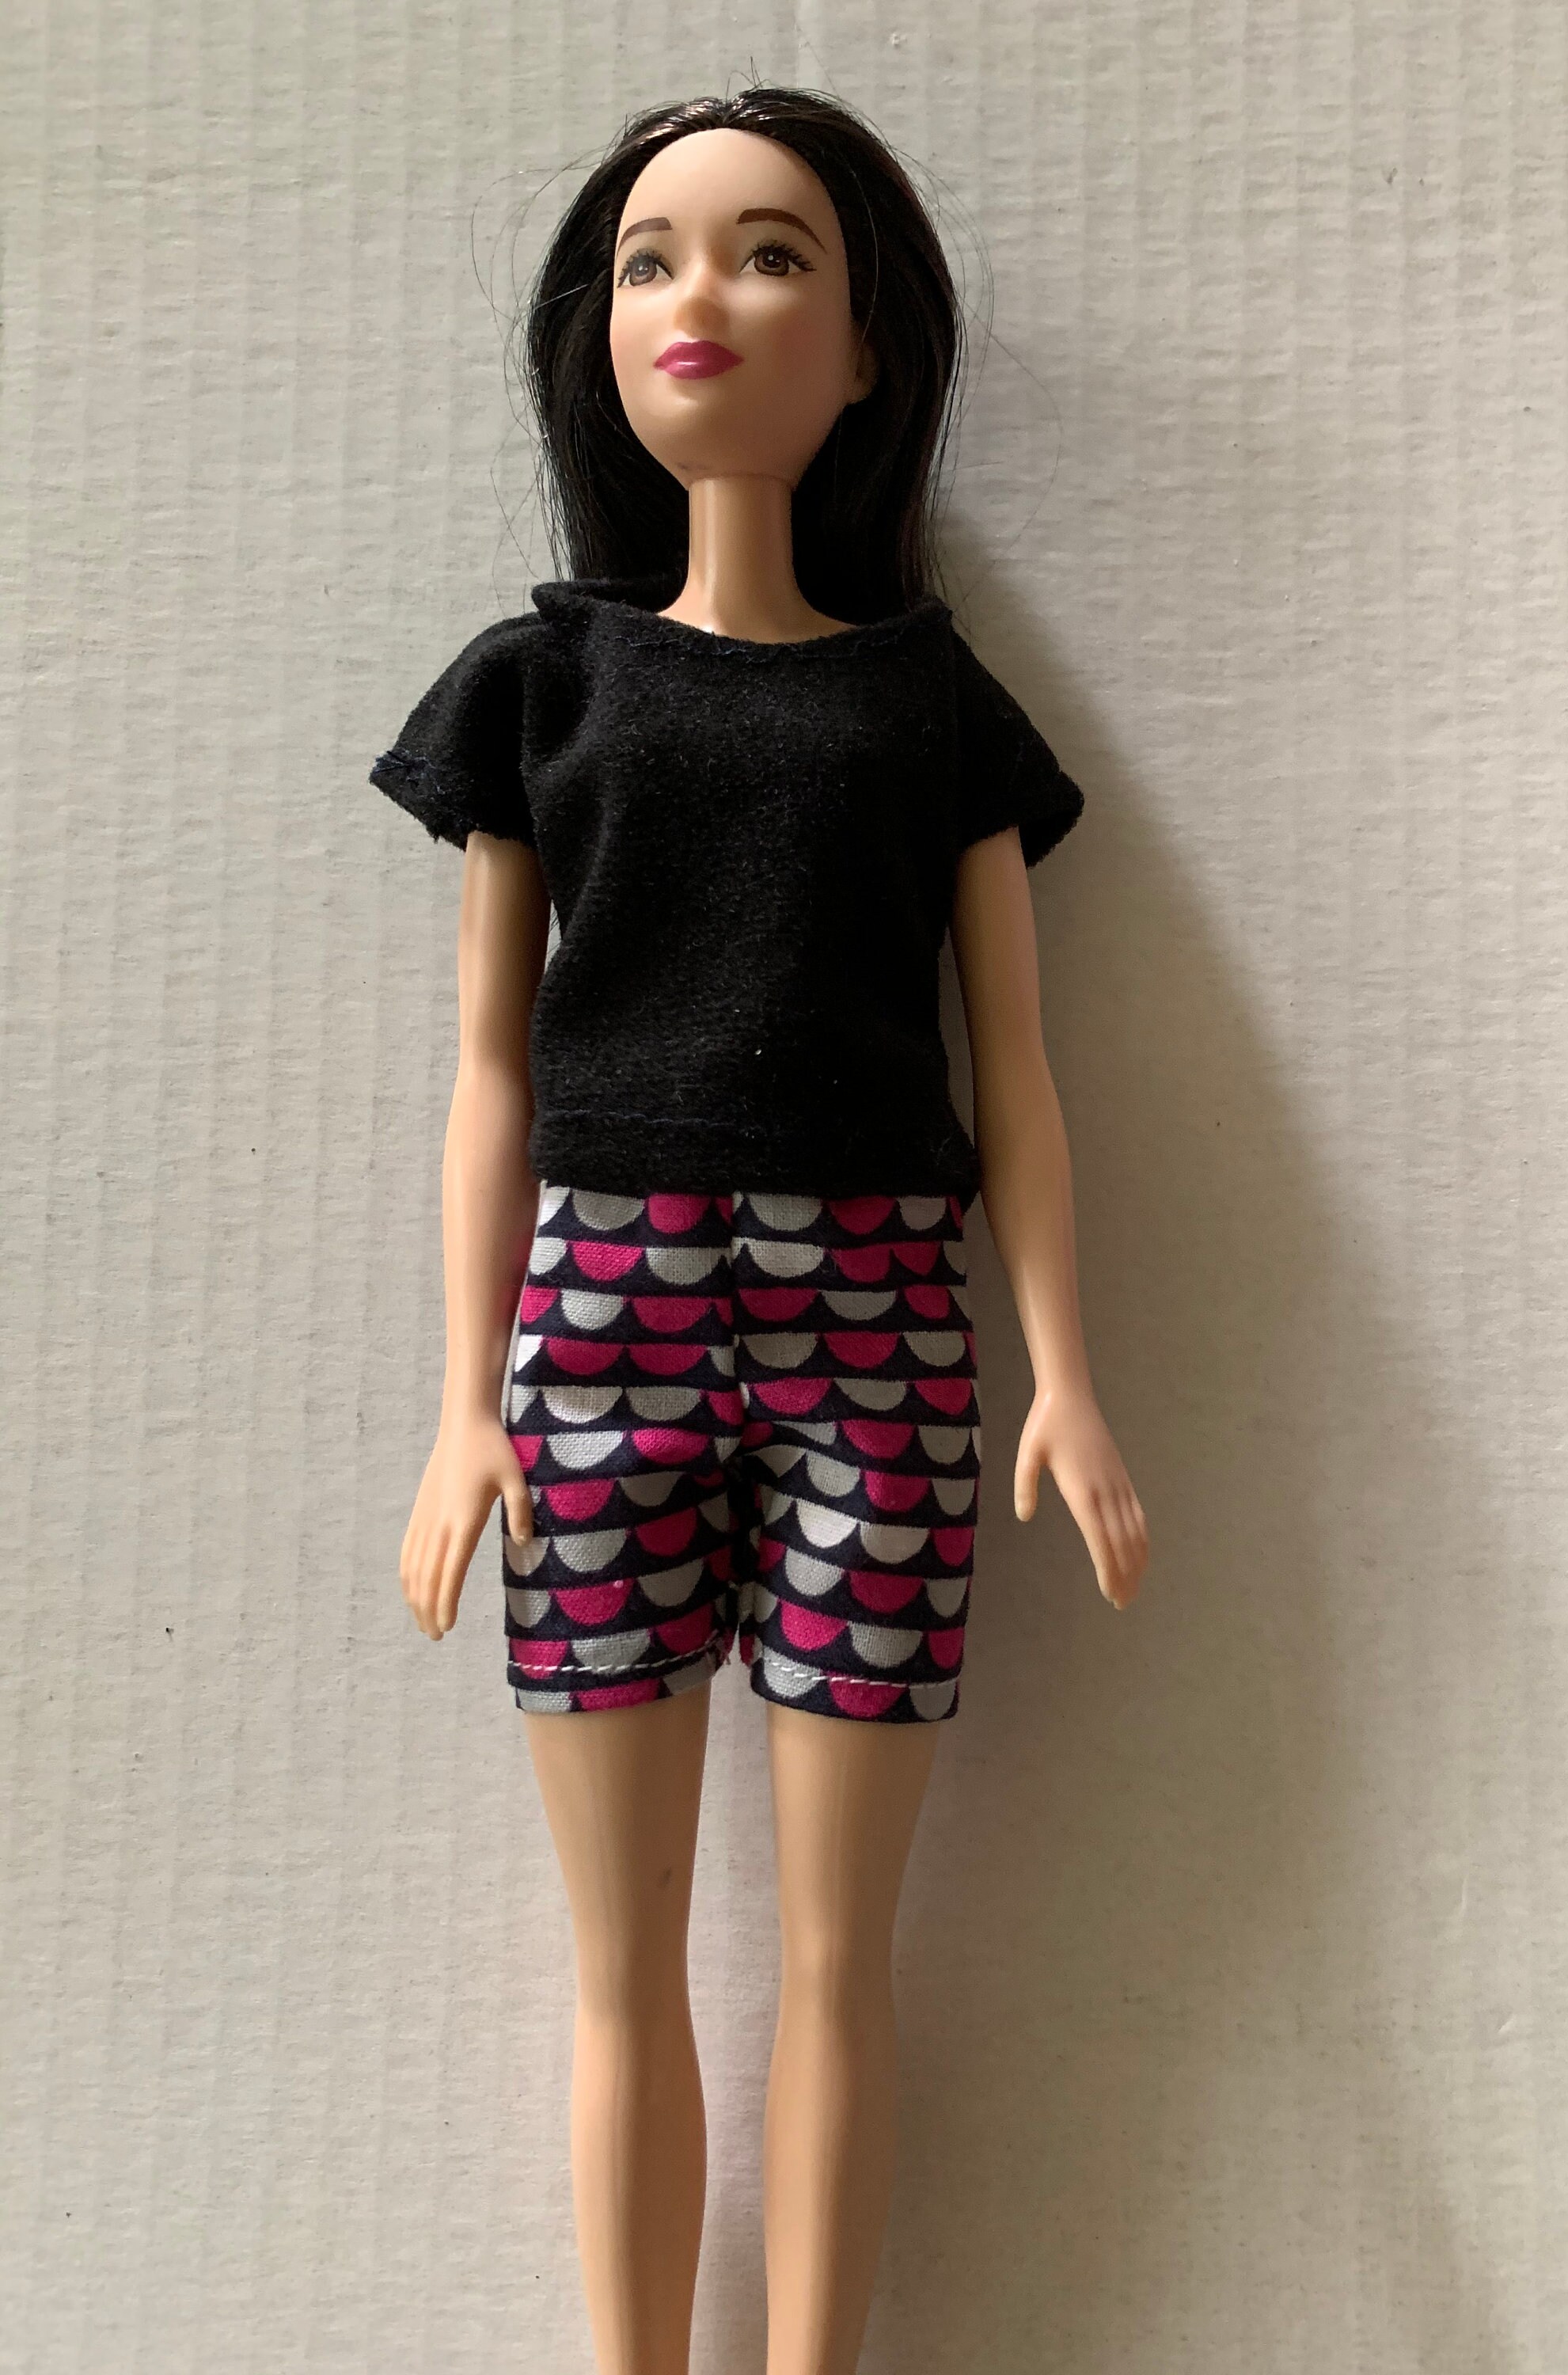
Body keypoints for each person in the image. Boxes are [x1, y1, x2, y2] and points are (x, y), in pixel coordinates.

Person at [367, 85, 1148, 2375]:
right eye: (650, 259)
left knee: (835, 1961)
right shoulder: (541, 691)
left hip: (881, 1336)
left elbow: (1016, 1067)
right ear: (596, 334)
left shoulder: (929, 705)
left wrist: (1068, 1372)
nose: (698, 296)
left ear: (869, 344)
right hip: (598, 1323)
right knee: (620, 1966)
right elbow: (491, 1076)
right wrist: (461, 1404)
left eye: (769, 251)